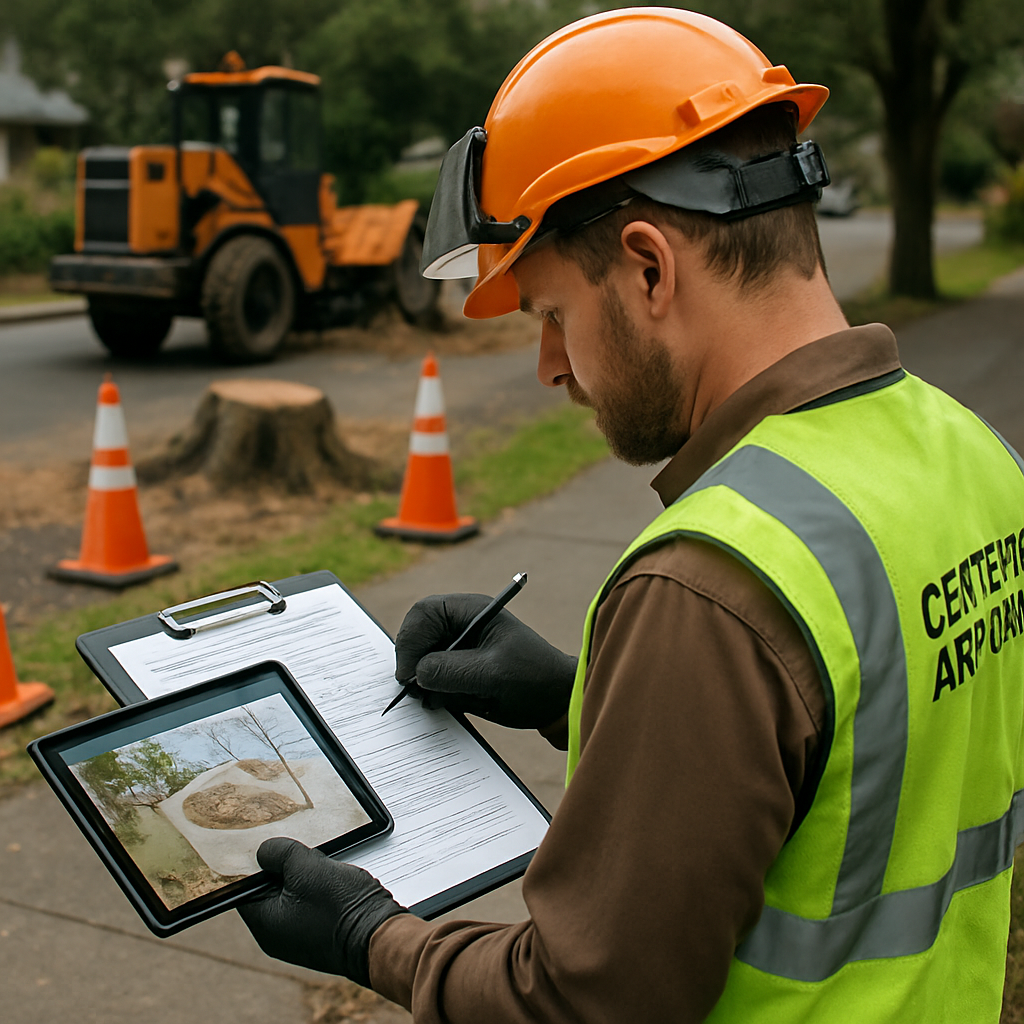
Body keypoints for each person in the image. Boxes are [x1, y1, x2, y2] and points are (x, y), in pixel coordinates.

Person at [239, 9, 1024, 1021]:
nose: (550, 366)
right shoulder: (978, 456)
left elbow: (584, 1001)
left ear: (650, 267)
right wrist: (584, 700)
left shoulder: (711, 583)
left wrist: (373, 938)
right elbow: (867, 753)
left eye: (552, 312)